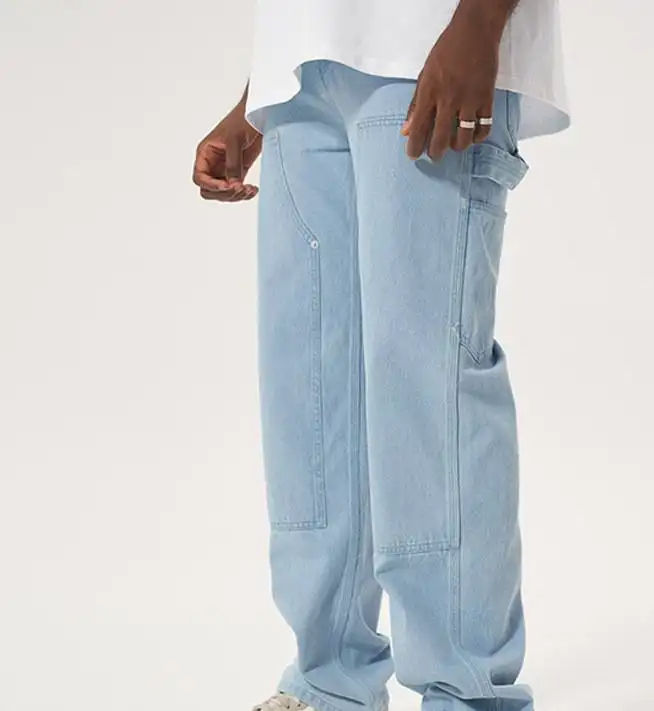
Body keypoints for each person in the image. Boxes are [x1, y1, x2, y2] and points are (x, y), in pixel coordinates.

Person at [191, 2, 569, 711]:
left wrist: (478, 24)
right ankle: (328, 681)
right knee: (312, 386)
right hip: (301, 79)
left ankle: (466, 691)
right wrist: (258, 92)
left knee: (428, 383)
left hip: (428, 47)